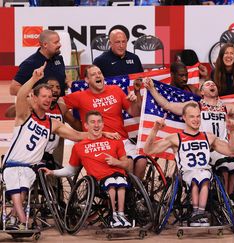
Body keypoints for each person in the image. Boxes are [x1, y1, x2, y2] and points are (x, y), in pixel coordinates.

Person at [144, 78, 234, 205]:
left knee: (232, 164)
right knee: (225, 164)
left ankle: (229, 196)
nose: (212, 85)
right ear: (202, 91)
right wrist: (151, 89)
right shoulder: (195, 106)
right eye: (207, 84)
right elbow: (168, 105)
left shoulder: (225, 107)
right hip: (205, 147)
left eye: (213, 84)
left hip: (221, 145)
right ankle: (223, 197)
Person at [3, 63, 94, 230]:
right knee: (17, 186)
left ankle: (15, 221)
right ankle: (22, 220)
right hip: (12, 163)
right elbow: (22, 94)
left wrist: (101, 134)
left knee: (23, 189)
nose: (48, 99)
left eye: (50, 96)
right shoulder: (25, 115)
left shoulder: (53, 123)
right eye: (44, 96)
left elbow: (78, 135)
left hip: (31, 167)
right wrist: (34, 78)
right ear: (35, 98)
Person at [143, 102, 234, 227]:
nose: (196, 120)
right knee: (196, 177)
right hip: (186, 174)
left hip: (204, 172)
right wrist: (155, 129)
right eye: (192, 116)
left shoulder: (208, 137)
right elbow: (148, 150)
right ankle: (195, 213)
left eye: (198, 116)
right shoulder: (175, 138)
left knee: (203, 176)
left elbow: (231, 151)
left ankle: (200, 213)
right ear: (184, 117)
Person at [40, 110, 132, 228]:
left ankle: (121, 214)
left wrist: (117, 162)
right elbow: (71, 170)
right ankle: (113, 215)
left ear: (103, 124)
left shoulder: (115, 141)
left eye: (99, 122)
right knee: (112, 183)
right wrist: (53, 172)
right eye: (93, 122)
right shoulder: (78, 147)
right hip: (99, 181)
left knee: (120, 181)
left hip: (118, 175)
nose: (96, 125)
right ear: (86, 126)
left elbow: (127, 165)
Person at [58, 65, 147, 178]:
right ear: (87, 80)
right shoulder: (80, 96)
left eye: (99, 73)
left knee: (142, 162)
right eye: (93, 74)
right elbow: (59, 105)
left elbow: (134, 112)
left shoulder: (116, 90)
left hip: (121, 139)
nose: (98, 75)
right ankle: (123, 190)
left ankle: (134, 193)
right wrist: (74, 123)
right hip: (98, 143)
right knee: (126, 164)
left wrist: (136, 96)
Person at [10, 30, 66, 96]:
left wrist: (68, 82)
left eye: (59, 41)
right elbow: (13, 89)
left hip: (60, 104)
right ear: (45, 44)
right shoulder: (30, 64)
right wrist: (37, 95)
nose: (60, 45)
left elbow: (61, 78)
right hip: (41, 106)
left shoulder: (59, 58)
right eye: (56, 42)